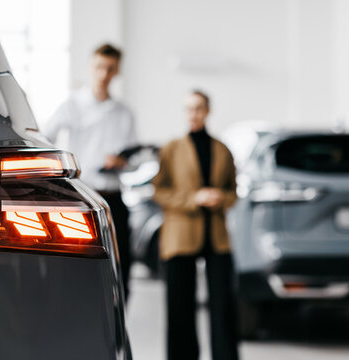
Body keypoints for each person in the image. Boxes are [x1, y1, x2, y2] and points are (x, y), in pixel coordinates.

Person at [43, 43, 137, 301]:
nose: (104, 74)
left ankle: (117, 328)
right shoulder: (72, 105)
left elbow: (132, 159)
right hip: (82, 198)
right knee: (78, 267)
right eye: (99, 67)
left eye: (110, 68)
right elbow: (43, 140)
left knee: (119, 268)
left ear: (117, 70)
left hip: (113, 197)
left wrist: (122, 162)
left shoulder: (125, 113)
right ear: (90, 67)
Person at [153, 90, 239, 360]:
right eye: (189, 109)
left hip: (216, 236)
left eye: (199, 108)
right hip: (180, 235)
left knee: (223, 306)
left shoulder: (222, 150)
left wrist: (220, 197)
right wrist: (194, 198)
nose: (194, 114)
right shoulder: (172, 149)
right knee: (180, 307)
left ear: (208, 110)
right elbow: (160, 192)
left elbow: (233, 191)